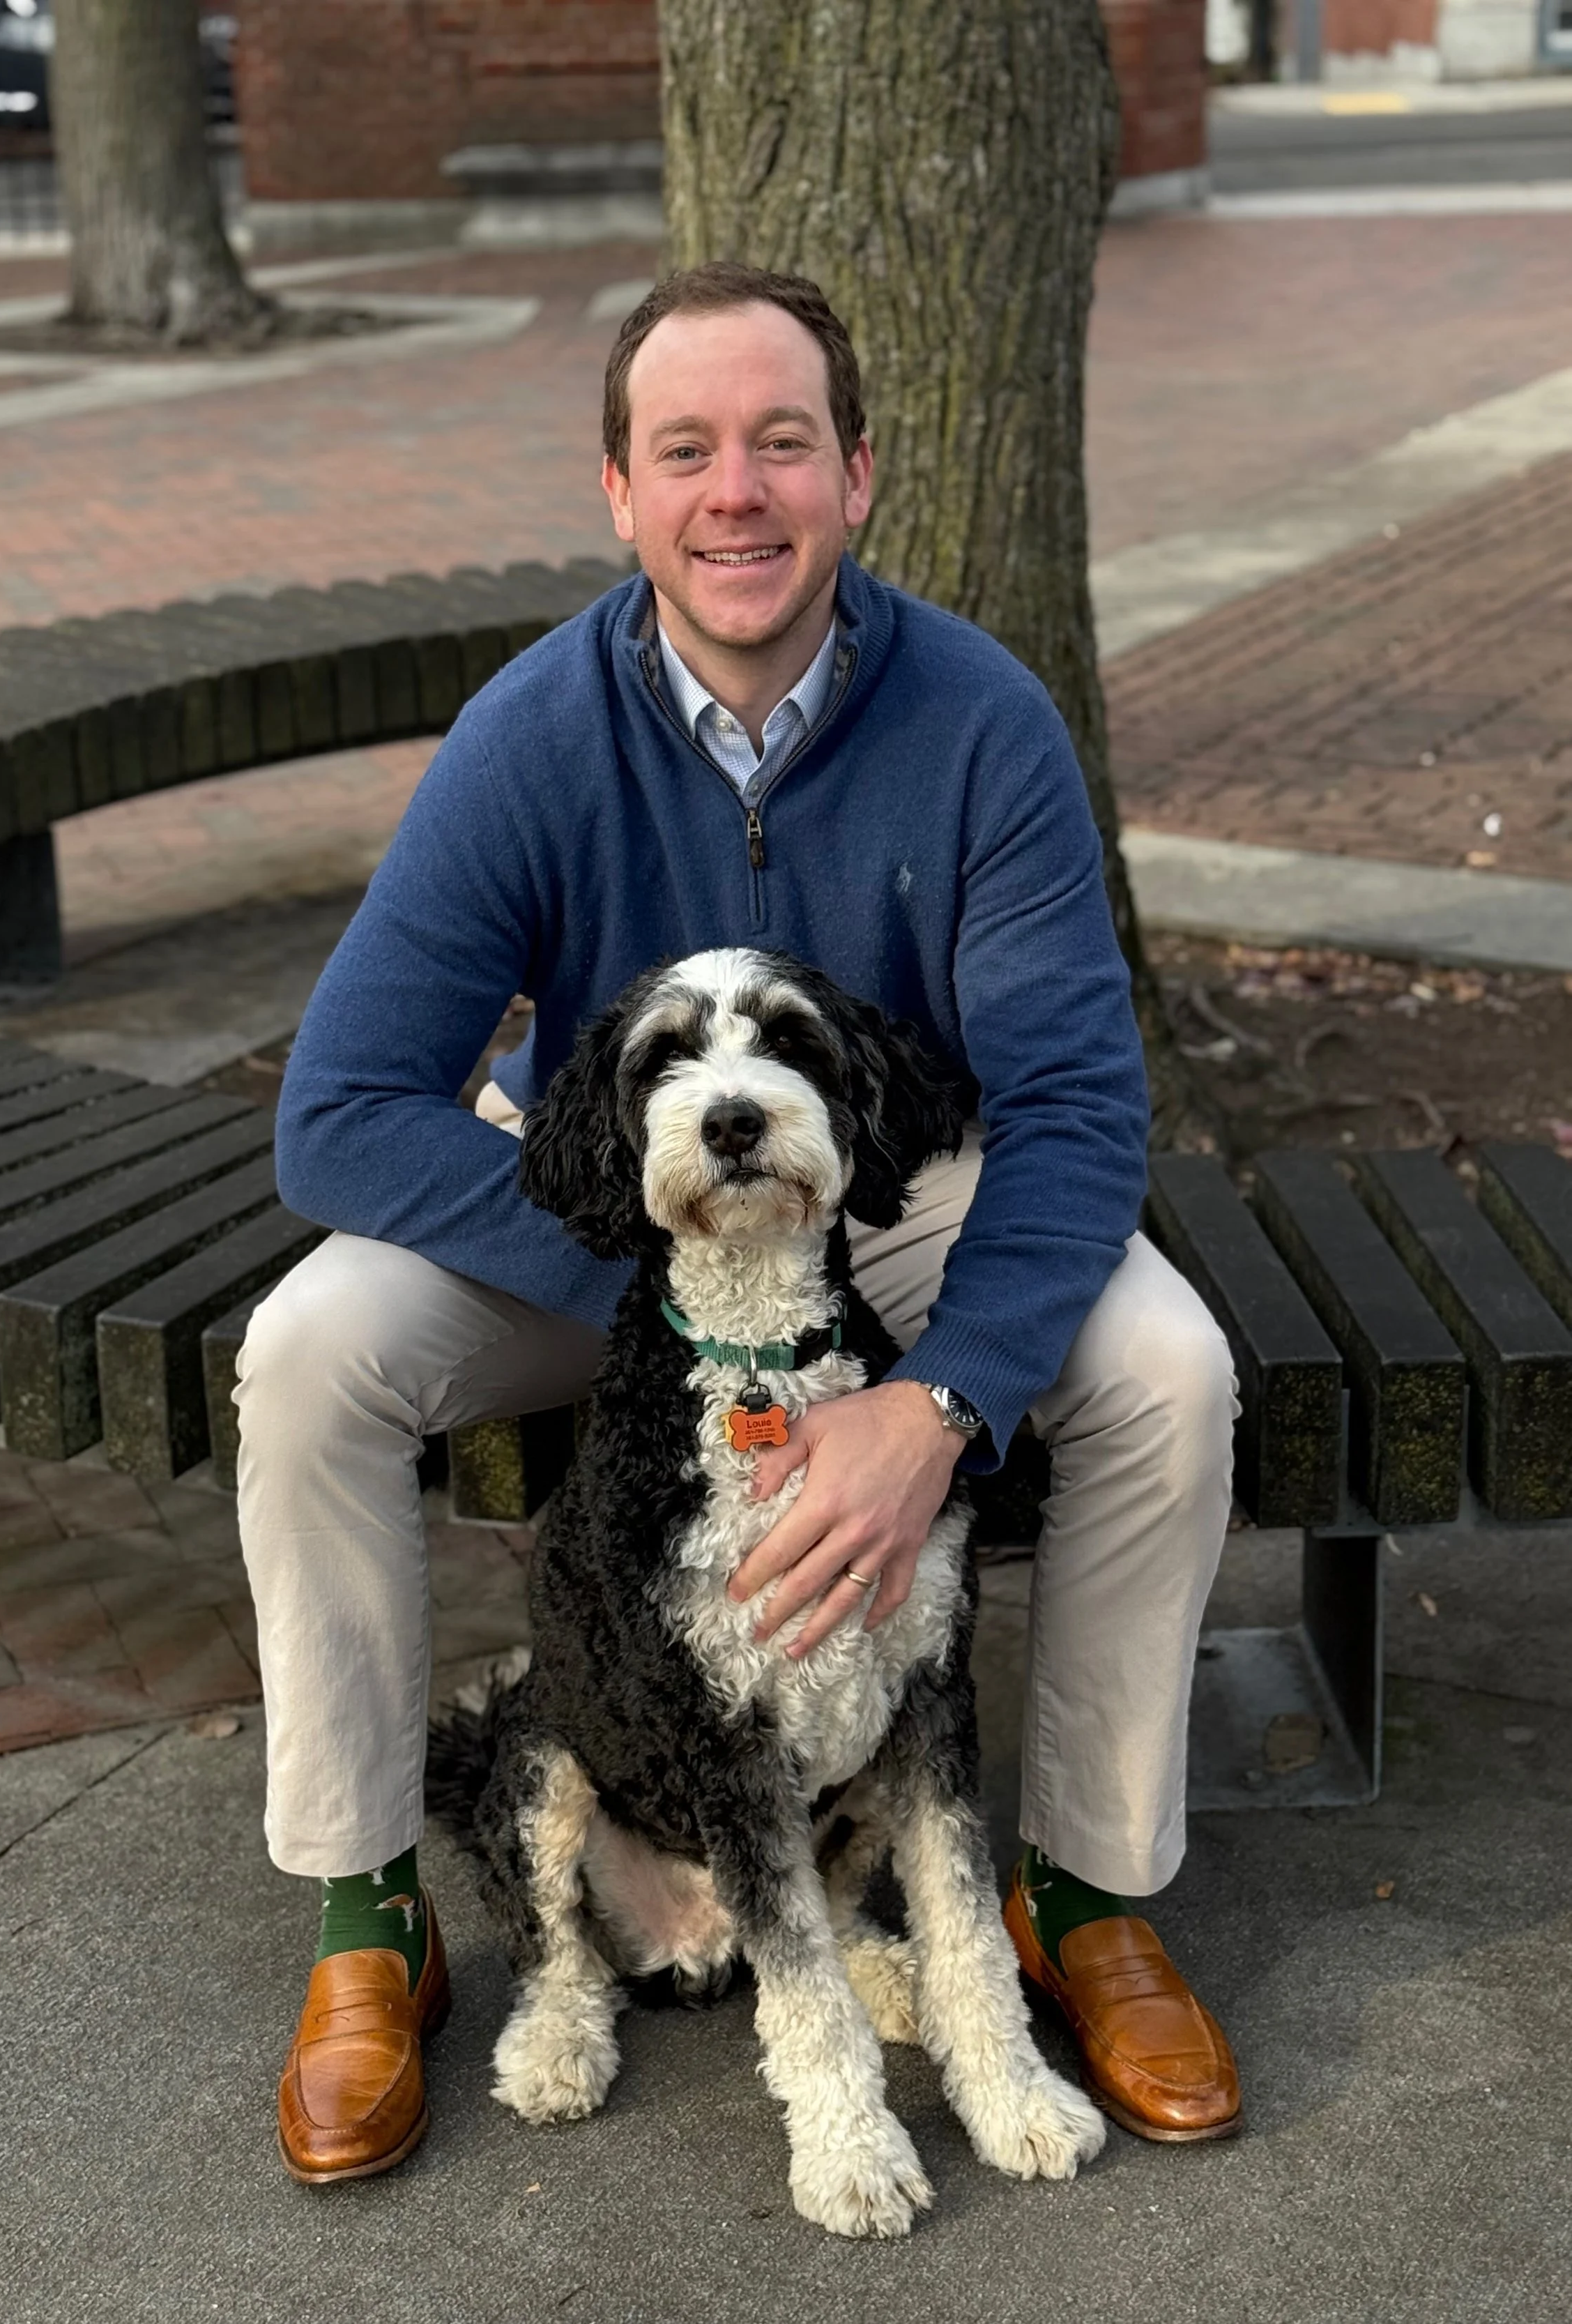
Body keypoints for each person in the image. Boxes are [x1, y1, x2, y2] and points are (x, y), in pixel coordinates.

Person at [242, 261, 1243, 2187]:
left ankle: (1085, 1893)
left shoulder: (980, 723)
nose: (737, 491)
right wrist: (665, 1280)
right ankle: (370, 1910)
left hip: (887, 1206)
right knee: (307, 1358)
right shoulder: (533, 738)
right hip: (618, 1233)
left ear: (856, 475)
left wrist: (935, 1396)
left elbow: (1070, 1106)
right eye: (684, 449)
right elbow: (344, 1105)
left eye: (782, 442)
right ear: (615, 492)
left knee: (1160, 1370)